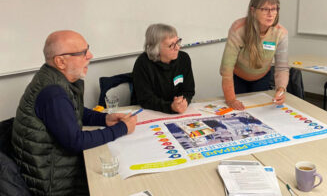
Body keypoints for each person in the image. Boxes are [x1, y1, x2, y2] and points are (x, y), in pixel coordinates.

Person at [11, 30, 137, 195]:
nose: (90, 55)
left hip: (52, 170)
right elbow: (76, 142)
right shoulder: (53, 93)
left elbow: (73, 110)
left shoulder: (53, 78)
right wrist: (122, 129)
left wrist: (105, 118)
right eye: (83, 53)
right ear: (60, 62)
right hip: (54, 183)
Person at [220, 0, 289, 110]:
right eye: (265, 9)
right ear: (253, 10)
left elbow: (282, 67)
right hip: (238, 79)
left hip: (262, 77)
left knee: (258, 111)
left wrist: (281, 89)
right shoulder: (239, 28)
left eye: (274, 9)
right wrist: (231, 99)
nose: (271, 14)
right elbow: (226, 69)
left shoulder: (280, 33)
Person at [132, 24, 195, 114]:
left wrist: (183, 102)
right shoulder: (143, 63)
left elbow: (189, 90)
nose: (177, 48)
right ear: (156, 48)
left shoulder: (184, 58)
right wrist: (170, 107)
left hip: (177, 112)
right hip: (150, 112)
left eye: (178, 42)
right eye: (171, 45)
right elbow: (146, 99)